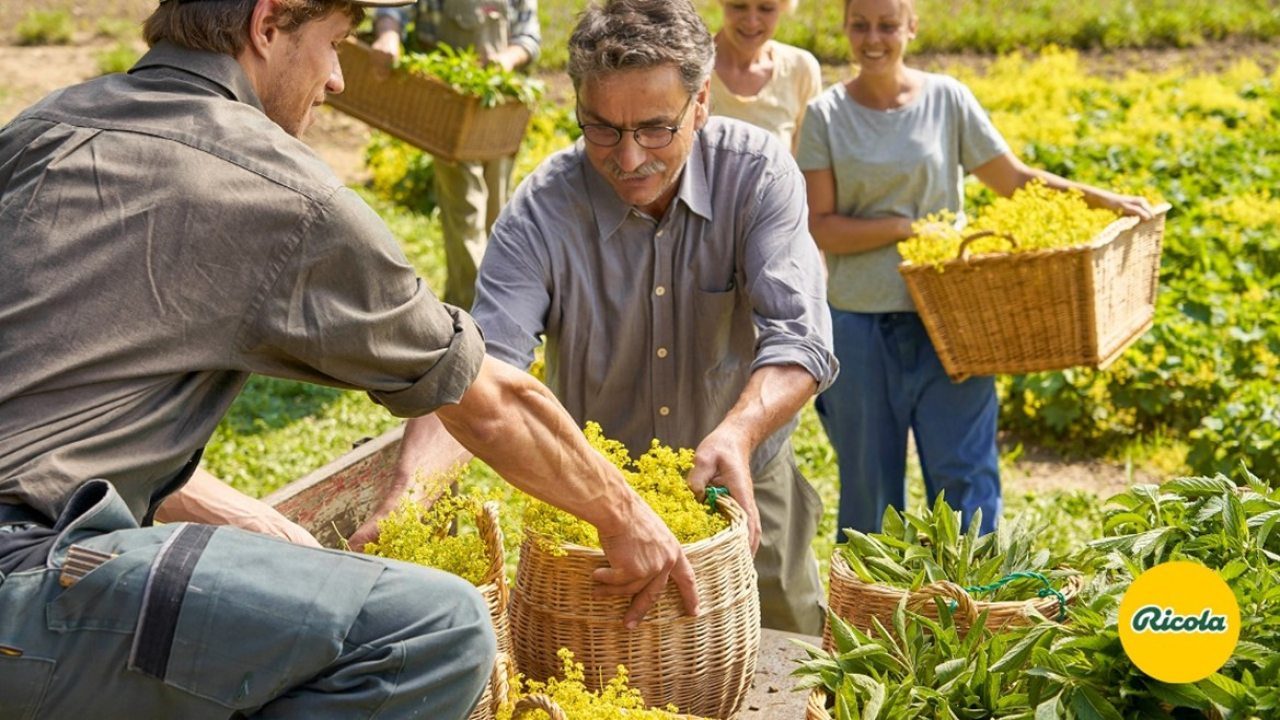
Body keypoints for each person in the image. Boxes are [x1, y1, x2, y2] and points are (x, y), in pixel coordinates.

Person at [0, 1, 697, 718]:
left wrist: (235, 513)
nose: (337, 79)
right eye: (334, 44)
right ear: (267, 26)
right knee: (437, 630)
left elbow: (63, 405)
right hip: (24, 589)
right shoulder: (273, 187)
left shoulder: (42, 130)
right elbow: (488, 399)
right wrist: (624, 516)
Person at [392, 0, 839, 636]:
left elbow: (800, 338)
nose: (629, 159)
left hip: (741, 489)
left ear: (702, 101)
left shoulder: (758, 174)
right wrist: (410, 494)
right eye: (601, 129)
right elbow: (481, 371)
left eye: (656, 129)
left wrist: (739, 431)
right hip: (598, 511)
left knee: (787, 656)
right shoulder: (541, 213)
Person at [796, 0, 1155, 538]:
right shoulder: (826, 115)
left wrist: (1104, 200)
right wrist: (904, 229)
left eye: (888, 25)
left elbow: (1013, 178)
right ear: (845, 29)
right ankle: (869, 615)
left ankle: (979, 610)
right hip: (859, 325)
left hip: (956, 321)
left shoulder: (948, 99)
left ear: (911, 27)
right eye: (861, 25)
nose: (874, 38)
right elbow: (821, 226)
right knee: (870, 492)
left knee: (967, 482)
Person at [369, 0, 539, 310]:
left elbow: (529, 37)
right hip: (449, 105)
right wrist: (388, 34)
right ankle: (477, 314)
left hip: (498, 104)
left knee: (496, 212)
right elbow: (393, 8)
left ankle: (472, 302)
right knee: (464, 210)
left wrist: (506, 60)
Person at [710, 0, 821, 154]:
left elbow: (808, 159)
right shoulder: (688, 63)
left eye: (766, 8)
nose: (751, 21)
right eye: (739, 6)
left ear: (783, 7)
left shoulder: (800, 69)